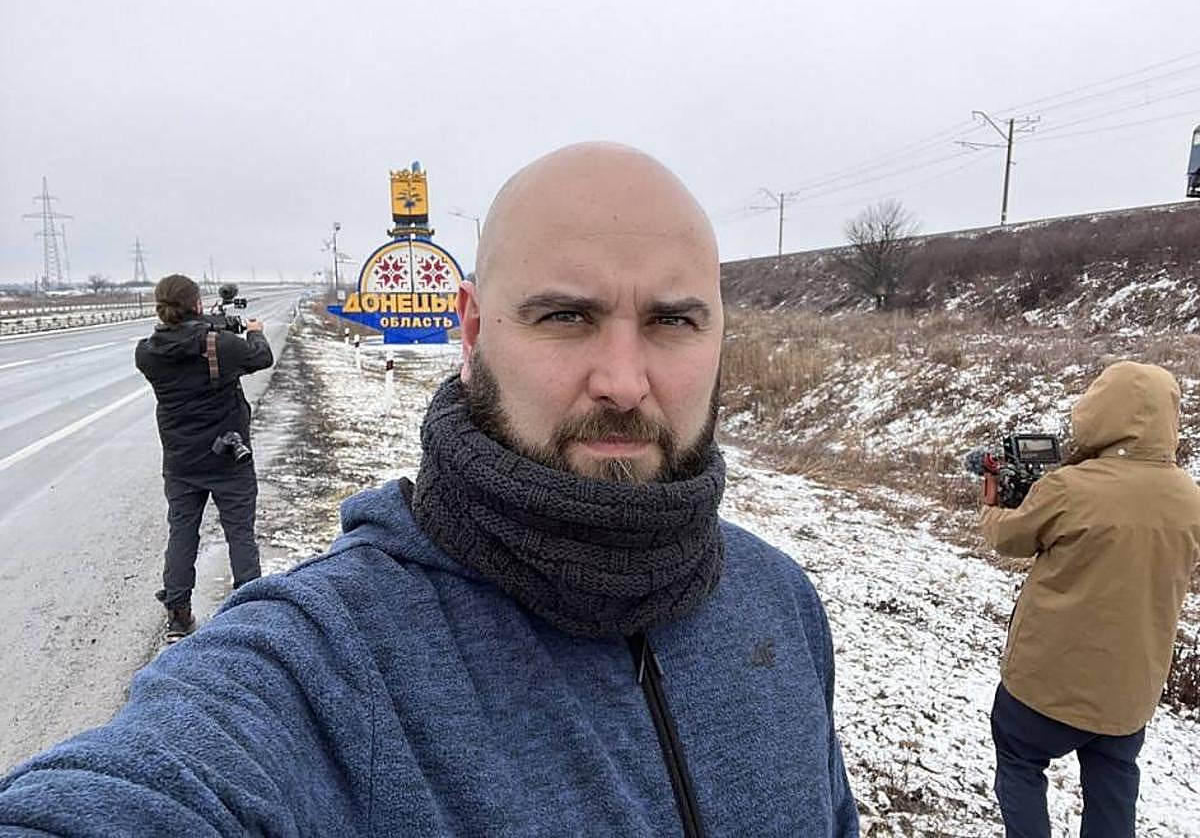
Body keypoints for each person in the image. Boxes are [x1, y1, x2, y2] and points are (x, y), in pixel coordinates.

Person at [0, 144, 858, 836]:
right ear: (475, 331)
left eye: (673, 320)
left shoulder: (779, 602)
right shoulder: (328, 660)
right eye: (567, 316)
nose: (624, 382)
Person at [980, 361, 1200, 837]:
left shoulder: (1069, 488)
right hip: (1130, 692)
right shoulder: (1189, 497)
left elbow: (1008, 539)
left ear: (1100, 412)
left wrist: (992, 502)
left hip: (1046, 684)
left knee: (1019, 761)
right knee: (1113, 785)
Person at [133, 274, 275, 640]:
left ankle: (178, 615)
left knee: (182, 534)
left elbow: (182, 345)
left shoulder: (146, 352)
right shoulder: (220, 346)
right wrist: (254, 331)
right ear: (197, 304)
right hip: (228, 456)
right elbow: (261, 356)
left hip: (181, 463)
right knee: (240, 534)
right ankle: (249, 611)